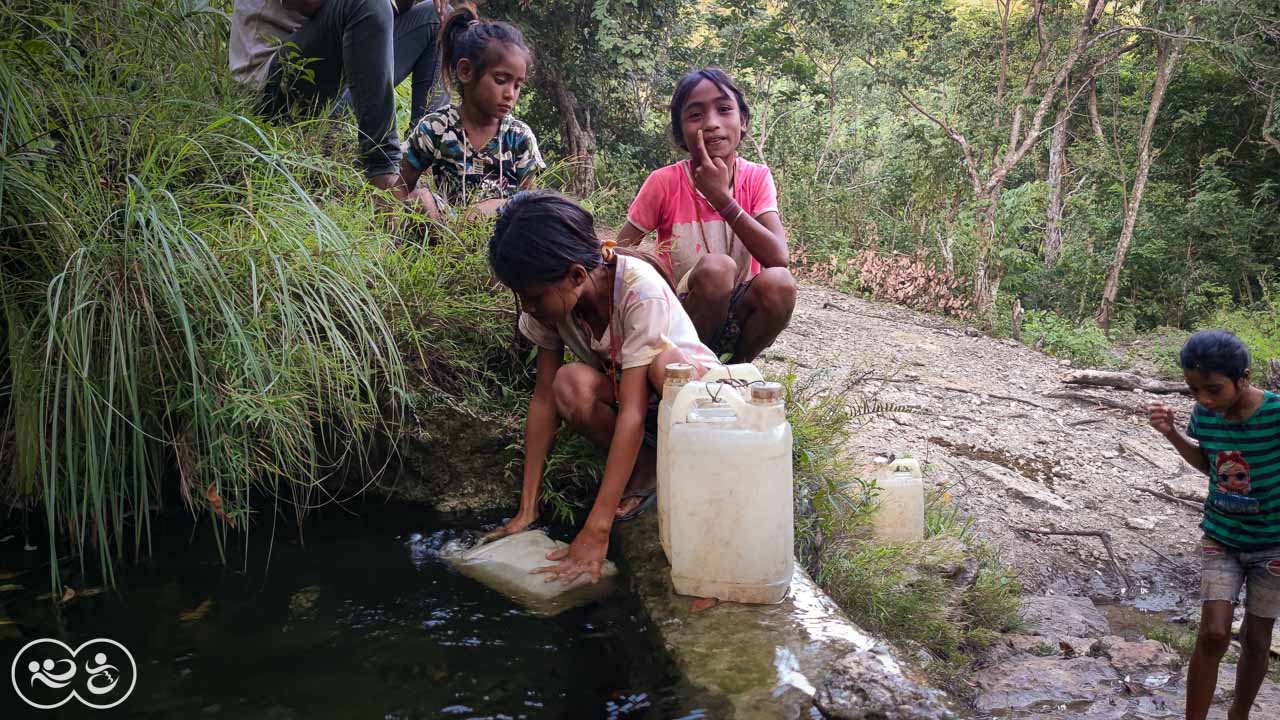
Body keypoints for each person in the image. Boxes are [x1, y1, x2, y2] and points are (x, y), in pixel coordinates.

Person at [485, 191, 720, 584]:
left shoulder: (637, 290)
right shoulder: (551, 304)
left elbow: (631, 410)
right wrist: (527, 510)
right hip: (635, 402)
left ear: (577, 275)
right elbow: (544, 399)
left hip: (694, 404)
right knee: (568, 383)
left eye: (533, 298)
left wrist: (596, 530)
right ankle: (646, 469)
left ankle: (685, 475)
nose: (527, 308)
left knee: (665, 366)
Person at [617, 67, 796, 363]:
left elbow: (778, 258)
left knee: (780, 284)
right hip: (678, 315)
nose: (712, 123)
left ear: (743, 121)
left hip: (737, 314)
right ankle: (685, 367)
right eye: (696, 115)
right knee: (717, 269)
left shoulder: (756, 177)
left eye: (724, 109)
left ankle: (733, 370)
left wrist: (722, 200)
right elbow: (620, 253)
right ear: (680, 134)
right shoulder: (664, 182)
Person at [1148, 330, 1280, 720]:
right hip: (1221, 538)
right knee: (1213, 634)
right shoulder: (1204, 414)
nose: (1204, 400)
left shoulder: (1275, 415)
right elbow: (1210, 465)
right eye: (1194, 390)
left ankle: (1238, 714)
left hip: (1273, 546)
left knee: (1256, 640)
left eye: (1214, 389)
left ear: (1245, 378)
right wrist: (1172, 434)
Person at [229, 0, 447, 188]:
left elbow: (384, 16)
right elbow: (309, 3)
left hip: (333, 86)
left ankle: (421, 158)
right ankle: (383, 170)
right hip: (271, 86)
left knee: (436, 16)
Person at [394, 6, 543, 220]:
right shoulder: (436, 128)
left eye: (518, 85)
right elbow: (399, 188)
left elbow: (532, 207)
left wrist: (496, 206)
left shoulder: (519, 137)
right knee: (421, 199)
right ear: (465, 72)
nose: (510, 94)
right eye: (501, 81)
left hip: (501, 239)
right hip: (444, 235)